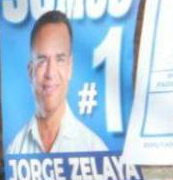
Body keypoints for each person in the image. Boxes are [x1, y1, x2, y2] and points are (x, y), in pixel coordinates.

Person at [6, 10, 107, 154]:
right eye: (42, 60)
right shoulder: (14, 150)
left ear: (70, 68)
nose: (50, 73)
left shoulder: (95, 150)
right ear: (30, 71)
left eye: (59, 59)